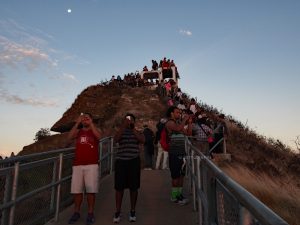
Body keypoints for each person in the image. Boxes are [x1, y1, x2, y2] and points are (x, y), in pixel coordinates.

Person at [67, 113, 101, 225]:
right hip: (78, 165)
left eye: (87, 118)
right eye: (84, 118)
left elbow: (99, 137)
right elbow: (68, 138)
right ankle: (76, 212)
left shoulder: (94, 130)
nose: (85, 120)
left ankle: (90, 213)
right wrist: (77, 123)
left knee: (90, 191)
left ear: (91, 119)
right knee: (77, 191)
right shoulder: (78, 132)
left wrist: (91, 124)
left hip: (91, 165)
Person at [113, 113, 145, 223]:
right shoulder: (121, 130)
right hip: (121, 161)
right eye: (127, 119)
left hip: (134, 161)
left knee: (134, 187)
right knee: (119, 188)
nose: (128, 121)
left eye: (131, 120)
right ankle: (117, 211)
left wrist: (133, 129)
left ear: (134, 122)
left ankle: (132, 210)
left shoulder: (136, 131)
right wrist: (123, 126)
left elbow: (142, 140)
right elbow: (115, 139)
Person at [165, 106, 192, 205]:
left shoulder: (178, 124)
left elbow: (189, 133)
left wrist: (189, 123)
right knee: (175, 176)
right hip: (174, 153)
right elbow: (177, 128)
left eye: (180, 113)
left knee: (181, 175)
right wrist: (185, 119)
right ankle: (174, 197)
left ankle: (179, 195)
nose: (179, 114)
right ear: (171, 113)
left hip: (182, 153)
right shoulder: (169, 123)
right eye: (177, 112)